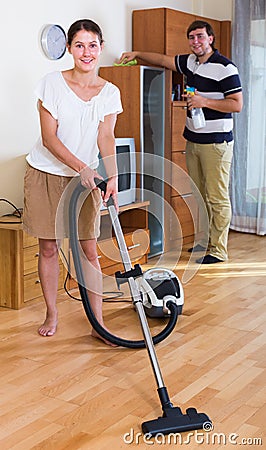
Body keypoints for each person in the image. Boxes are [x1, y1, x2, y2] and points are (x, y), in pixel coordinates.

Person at [23, 19, 122, 340]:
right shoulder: (51, 83)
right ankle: (52, 314)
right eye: (79, 45)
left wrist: (113, 174)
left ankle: (98, 322)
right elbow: (49, 139)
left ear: (101, 48)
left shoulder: (109, 92)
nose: (86, 52)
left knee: (89, 250)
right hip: (46, 173)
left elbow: (106, 136)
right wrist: (83, 167)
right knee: (49, 248)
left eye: (92, 45)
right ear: (68, 48)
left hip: (86, 179)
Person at [119, 20, 243, 264]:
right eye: (191, 38)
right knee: (199, 195)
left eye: (200, 37)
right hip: (193, 140)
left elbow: (236, 104)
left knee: (216, 197)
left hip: (216, 143)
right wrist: (137, 54)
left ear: (211, 38)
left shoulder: (226, 68)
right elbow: (165, 60)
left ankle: (218, 250)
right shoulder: (190, 63)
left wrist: (204, 102)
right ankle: (205, 242)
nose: (195, 42)